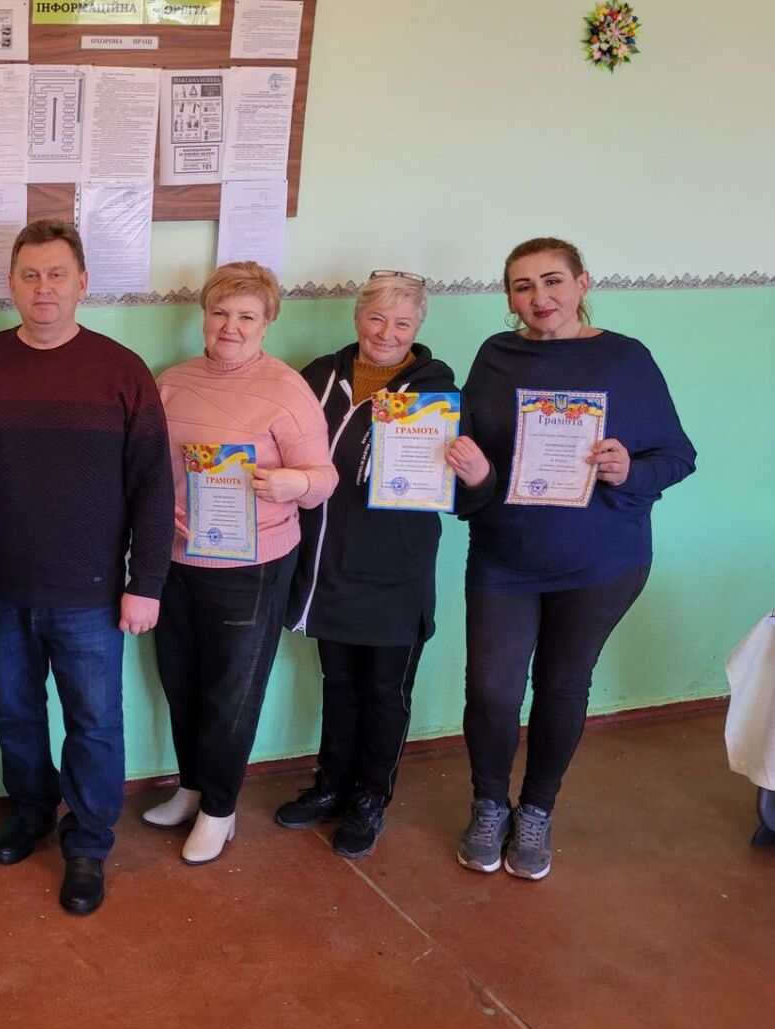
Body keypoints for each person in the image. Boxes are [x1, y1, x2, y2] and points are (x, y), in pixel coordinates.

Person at [0, 220, 174, 915]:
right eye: (30, 275)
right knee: (14, 711)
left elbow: (153, 486)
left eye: (57, 274)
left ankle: (89, 841)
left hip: (91, 592)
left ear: (82, 283)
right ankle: (32, 809)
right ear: (11, 284)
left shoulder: (122, 370)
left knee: (94, 721)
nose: (43, 288)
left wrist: (146, 583)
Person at [456, 237, 695, 880]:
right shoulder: (495, 355)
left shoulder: (625, 357)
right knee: (492, 690)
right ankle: (488, 804)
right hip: (505, 556)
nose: (540, 297)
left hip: (600, 562)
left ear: (583, 283)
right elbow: (473, 462)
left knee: (563, 686)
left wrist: (628, 469)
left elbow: (677, 456)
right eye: (523, 286)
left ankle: (536, 809)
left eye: (553, 280)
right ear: (509, 298)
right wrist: (471, 472)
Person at [276, 271, 493, 857]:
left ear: (418, 326)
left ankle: (371, 798)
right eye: (376, 318)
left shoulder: (439, 396)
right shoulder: (319, 377)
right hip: (326, 567)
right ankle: (331, 785)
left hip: (396, 574)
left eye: (402, 322)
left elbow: (466, 497)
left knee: (384, 693)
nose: (387, 333)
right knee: (339, 685)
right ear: (357, 318)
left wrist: (478, 475)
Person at [143, 262, 337, 864]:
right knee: (181, 682)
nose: (231, 326)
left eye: (247, 316)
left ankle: (219, 810)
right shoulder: (171, 382)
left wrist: (292, 482)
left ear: (267, 322)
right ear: (203, 315)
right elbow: (151, 471)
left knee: (231, 693)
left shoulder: (286, 389)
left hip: (251, 567)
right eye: (220, 312)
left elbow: (324, 479)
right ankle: (192, 788)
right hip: (177, 559)